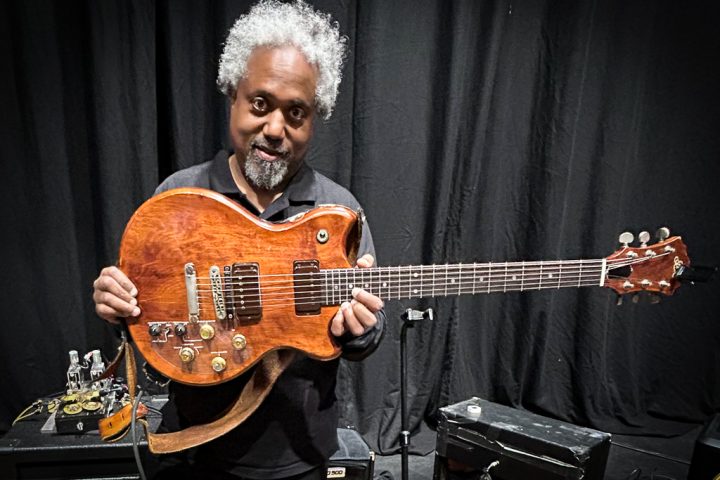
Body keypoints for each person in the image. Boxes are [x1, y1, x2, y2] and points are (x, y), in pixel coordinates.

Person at [92, 1, 386, 478]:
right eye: (260, 104)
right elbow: (144, 316)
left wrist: (362, 327)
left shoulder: (338, 211)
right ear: (233, 94)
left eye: (296, 113)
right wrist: (118, 306)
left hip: (302, 452)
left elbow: (367, 335)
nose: (275, 129)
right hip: (197, 447)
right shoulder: (180, 197)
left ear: (315, 119)